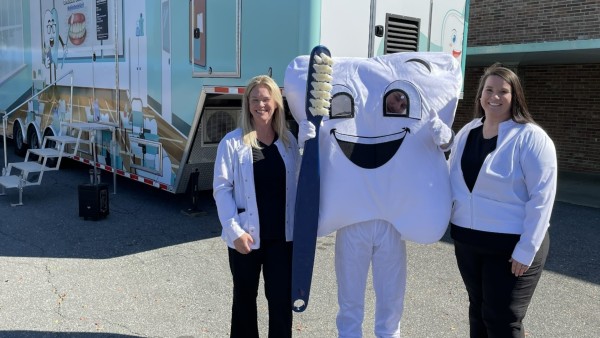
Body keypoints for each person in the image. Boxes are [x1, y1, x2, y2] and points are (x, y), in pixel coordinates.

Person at [285, 52, 462, 338]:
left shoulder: (408, 124)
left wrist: (446, 141)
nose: (397, 103)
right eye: (395, 98)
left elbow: (438, 154)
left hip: (392, 225)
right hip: (352, 223)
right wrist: (310, 139)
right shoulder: (356, 118)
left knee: (391, 301)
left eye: (401, 100)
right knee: (349, 301)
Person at [448, 63, 558, 338]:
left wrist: (526, 249)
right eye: (489, 90)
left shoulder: (531, 138)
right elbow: (449, 179)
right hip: (468, 242)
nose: (494, 97)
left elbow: (542, 197)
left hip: (511, 246)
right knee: (478, 312)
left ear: (515, 97)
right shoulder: (467, 132)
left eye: (503, 91)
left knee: (502, 319)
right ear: (480, 95)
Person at [213, 75, 300, 338]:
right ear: (247, 104)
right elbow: (221, 189)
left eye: (265, 99)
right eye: (254, 100)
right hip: (246, 238)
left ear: (275, 103)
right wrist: (234, 231)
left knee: (281, 303)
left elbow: (298, 187)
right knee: (244, 304)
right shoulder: (232, 142)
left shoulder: (289, 142)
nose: (260, 105)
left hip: (281, 241)